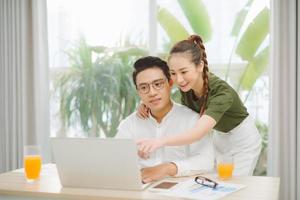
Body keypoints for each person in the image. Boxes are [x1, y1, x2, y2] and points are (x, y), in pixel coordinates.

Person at [136, 35, 262, 176]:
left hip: (242, 137)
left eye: (184, 72)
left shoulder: (221, 92)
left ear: (200, 66)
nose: (179, 79)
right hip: (220, 136)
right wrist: (145, 104)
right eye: (173, 73)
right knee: (218, 182)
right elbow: (164, 97)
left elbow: (197, 133)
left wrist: (160, 141)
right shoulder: (187, 88)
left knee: (238, 184)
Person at [115, 56, 214, 183]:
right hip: (139, 188)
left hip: (179, 190)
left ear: (170, 83)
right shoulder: (129, 125)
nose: (152, 92)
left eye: (157, 84)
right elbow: (115, 161)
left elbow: (206, 160)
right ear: (138, 92)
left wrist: (168, 168)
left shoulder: (192, 120)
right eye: (144, 87)